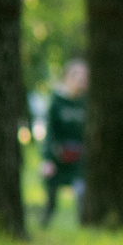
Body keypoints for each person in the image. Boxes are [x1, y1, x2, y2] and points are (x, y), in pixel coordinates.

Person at [39, 59, 88, 229]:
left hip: (80, 160)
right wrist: (47, 159)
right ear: (66, 77)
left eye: (84, 75)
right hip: (59, 157)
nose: (81, 79)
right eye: (76, 75)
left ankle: (85, 228)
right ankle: (44, 226)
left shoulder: (87, 103)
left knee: (82, 194)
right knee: (51, 201)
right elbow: (50, 133)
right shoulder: (56, 102)